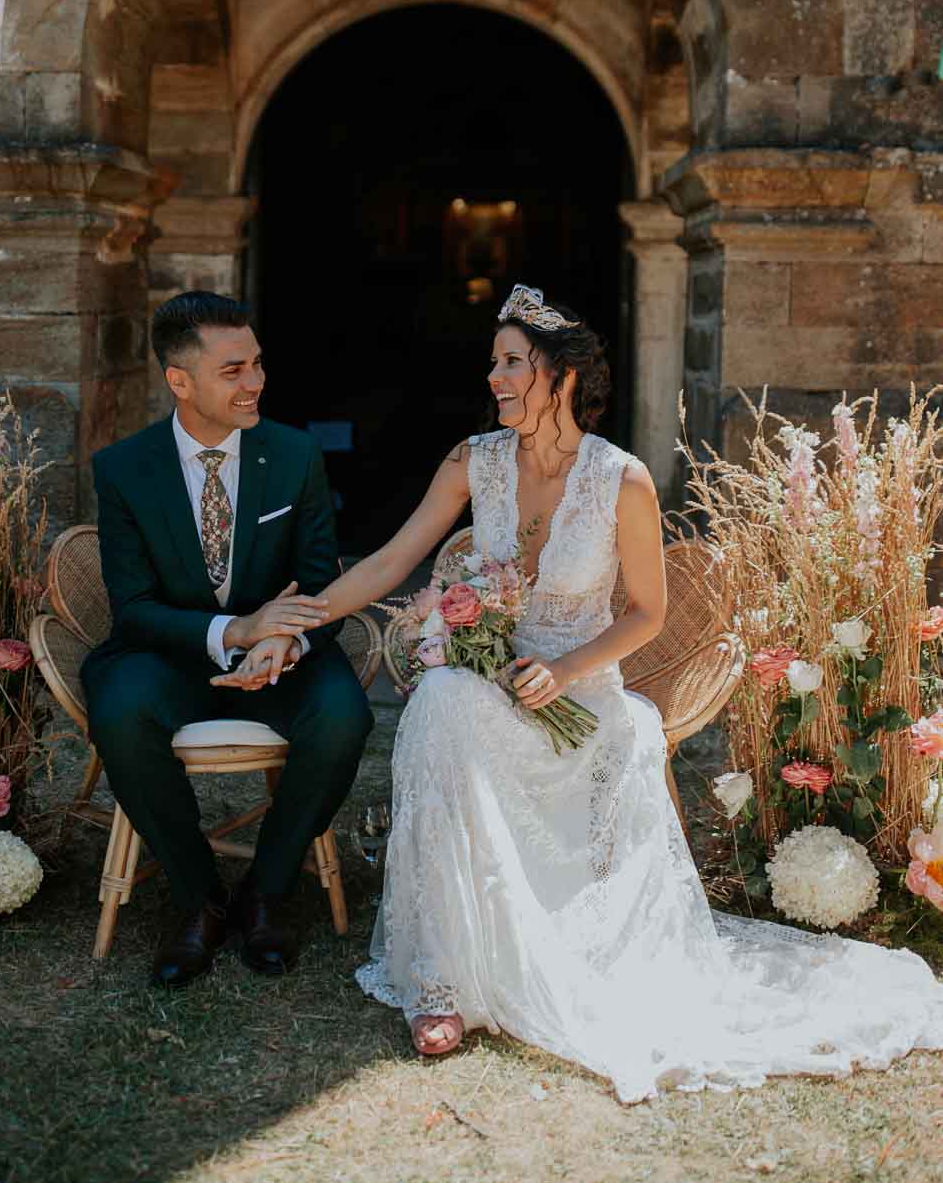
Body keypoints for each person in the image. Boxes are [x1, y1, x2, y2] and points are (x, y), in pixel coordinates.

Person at [216, 284, 943, 1101]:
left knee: (562, 719)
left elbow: (647, 613)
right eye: (492, 363)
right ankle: (442, 981)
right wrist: (291, 621)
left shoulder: (620, 479)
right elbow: (388, 564)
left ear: (558, 375)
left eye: (510, 363)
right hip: (492, 687)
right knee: (442, 701)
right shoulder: (473, 461)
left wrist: (562, 671)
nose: (492, 377)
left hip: (583, 698)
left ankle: (568, 953)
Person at [81, 291, 373, 989]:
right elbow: (133, 609)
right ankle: (198, 898)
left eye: (258, 364)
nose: (256, 383)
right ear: (179, 381)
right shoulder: (123, 468)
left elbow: (316, 582)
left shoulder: (295, 454)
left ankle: (266, 892)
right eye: (234, 370)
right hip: (170, 654)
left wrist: (283, 644)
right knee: (121, 711)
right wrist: (234, 631)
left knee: (343, 717)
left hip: (284, 660)